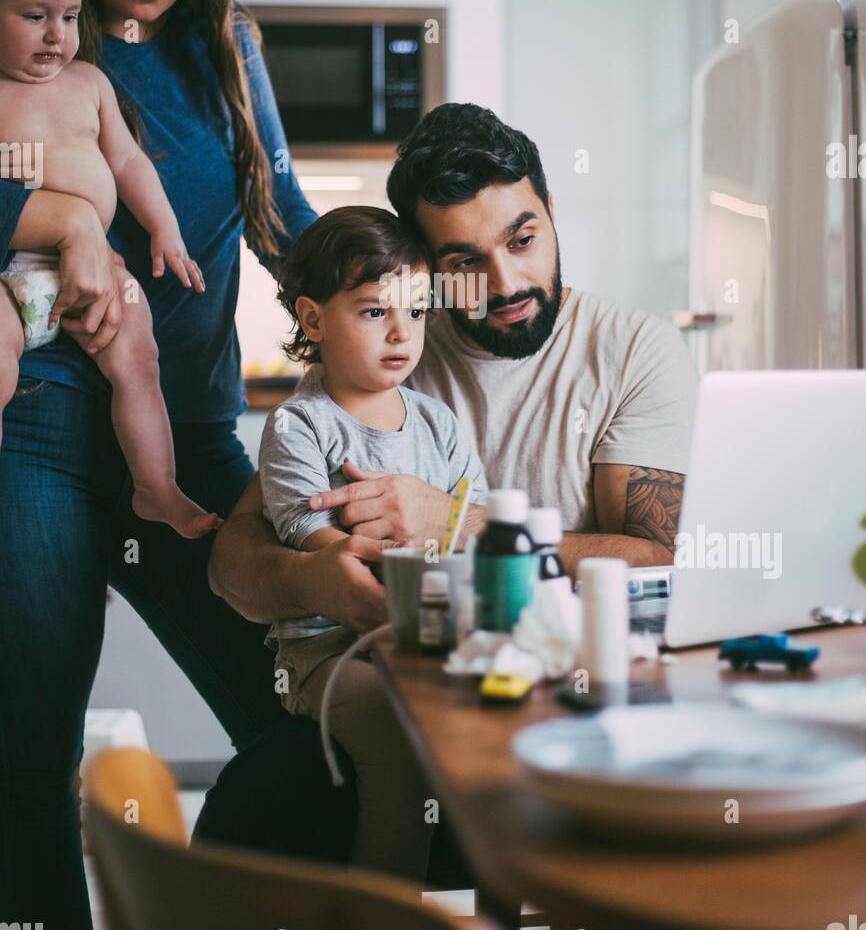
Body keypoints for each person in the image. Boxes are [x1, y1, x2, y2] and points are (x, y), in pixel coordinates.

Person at [0, 0, 338, 930]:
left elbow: (280, 211)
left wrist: (392, 287)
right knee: (29, 767)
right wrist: (67, 223)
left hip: (188, 441)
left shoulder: (226, 44)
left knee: (305, 722)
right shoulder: (33, 30)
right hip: (41, 437)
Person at [209, 103, 698, 631]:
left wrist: (458, 524)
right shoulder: (386, 351)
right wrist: (312, 581)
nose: (506, 283)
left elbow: (665, 563)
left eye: (523, 241)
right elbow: (230, 564)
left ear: (551, 212)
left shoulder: (635, 351)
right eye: (466, 262)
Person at [259, 206, 486, 880]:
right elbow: (312, 537)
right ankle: (384, 920)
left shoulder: (439, 424)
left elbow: (469, 523)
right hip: (329, 653)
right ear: (312, 319)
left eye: (415, 313)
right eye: (372, 312)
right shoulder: (301, 426)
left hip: (429, 634)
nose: (401, 333)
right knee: (396, 739)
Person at [0, 0, 219, 537]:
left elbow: (127, 161)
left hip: (104, 271)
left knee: (139, 360)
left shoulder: (89, 82)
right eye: (34, 16)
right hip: (11, 274)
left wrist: (164, 229)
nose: (56, 36)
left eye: (69, 17)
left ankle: (157, 489)